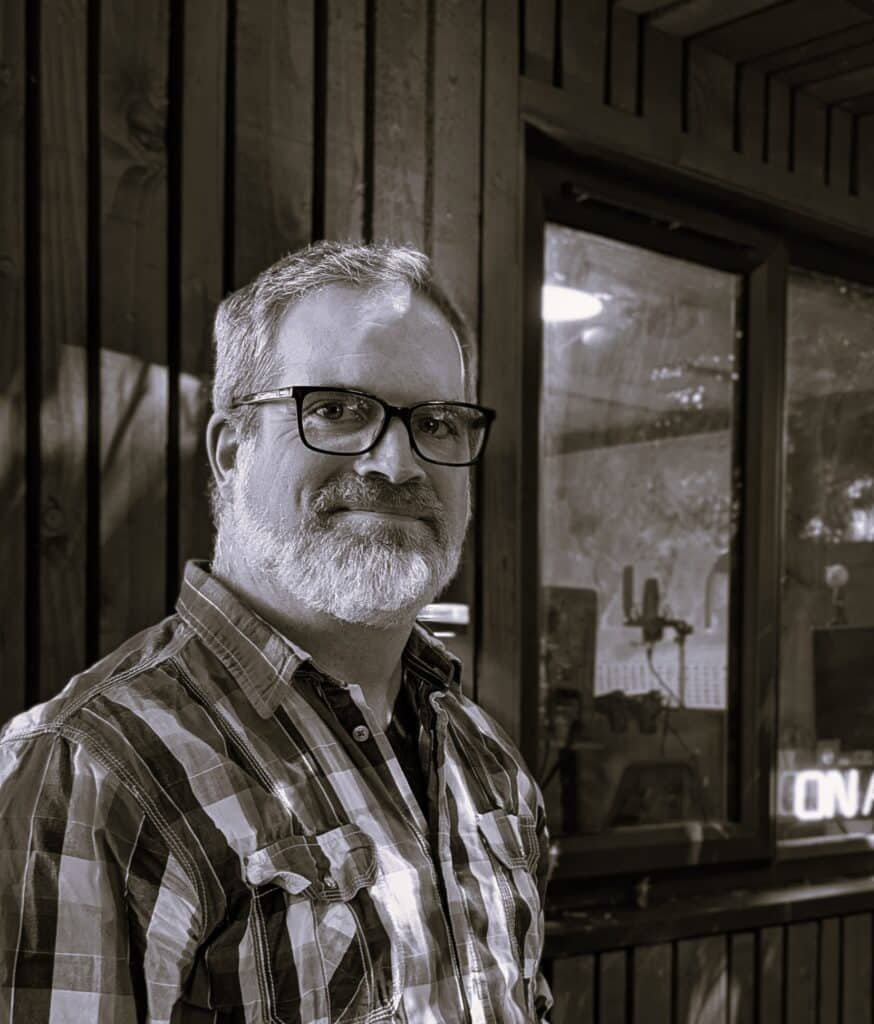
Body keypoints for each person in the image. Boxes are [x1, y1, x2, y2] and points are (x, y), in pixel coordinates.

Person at [0, 241, 552, 1023]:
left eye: (437, 422)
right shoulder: (91, 770)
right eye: (336, 409)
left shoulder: (484, 759)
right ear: (231, 451)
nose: (396, 463)